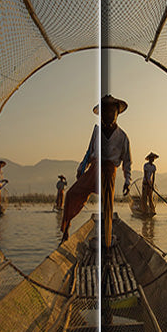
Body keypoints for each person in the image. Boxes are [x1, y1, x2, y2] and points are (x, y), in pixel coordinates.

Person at [60, 95, 131, 246]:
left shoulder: (122, 137)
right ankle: (66, 230)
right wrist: (81, 167)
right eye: (105, 112)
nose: (109, 115)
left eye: (112, 112)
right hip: (94, 169)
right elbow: (89, 152)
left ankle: (106, 240)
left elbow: (127, 161)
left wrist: (127, 181)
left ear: (117, 114)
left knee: (107, 205)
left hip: (109, 171)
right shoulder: (96, 132)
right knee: (71, 195)